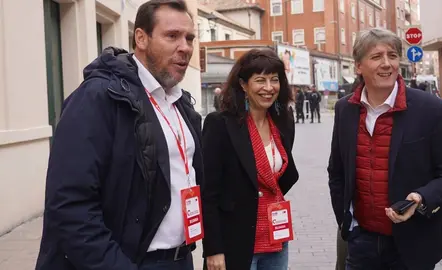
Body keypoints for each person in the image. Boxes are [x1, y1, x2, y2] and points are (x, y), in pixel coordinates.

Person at [35, 1, 203, 269]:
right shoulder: (98, 98)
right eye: (172, 36)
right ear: (141, 38)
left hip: (181, 259)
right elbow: (69, 206)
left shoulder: (181, 105)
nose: (185, 47)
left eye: (189, 38)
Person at [328, 28, 442, 270]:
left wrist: (420, 198)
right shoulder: (345, 109)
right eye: (376, 57)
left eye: (392, 56)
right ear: (358, 66)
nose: (387, 64)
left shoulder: (431, 109)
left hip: (413, 244)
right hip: (361, 242)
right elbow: (337, 172)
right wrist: (347, 222)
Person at [201, 48, 299, 270]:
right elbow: (208, 193)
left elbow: (280, 176)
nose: (268, 88)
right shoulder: (220, 124)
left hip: (276, 239)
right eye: (260, 80)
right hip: (235, 241)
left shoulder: (283, 122)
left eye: (274, 80)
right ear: (244, 85)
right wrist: (213, 249)